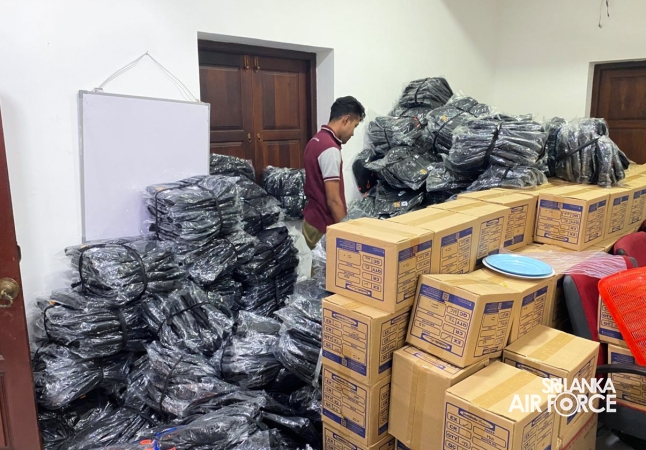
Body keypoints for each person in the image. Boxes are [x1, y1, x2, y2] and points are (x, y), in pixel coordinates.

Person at [302, 96, 365, 249]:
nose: (353, 133)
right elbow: (333, 200)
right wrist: (347, 232)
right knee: (327, 265)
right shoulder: (330, 149)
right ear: (346, 120)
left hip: (311, 219)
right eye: (355, 126)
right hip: (322, 225)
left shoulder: (316, 140)